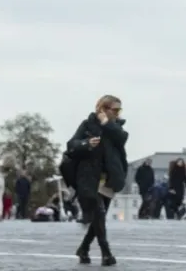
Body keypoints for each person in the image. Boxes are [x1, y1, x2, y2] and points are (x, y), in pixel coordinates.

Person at [67, 95, 127, 267]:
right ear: (103, 109)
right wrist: (87, 143)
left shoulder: (115, 128)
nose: (118, 113)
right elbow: (71, 145)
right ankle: (106, 253)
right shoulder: (87, 125)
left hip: (109, 178)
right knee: (98, 213)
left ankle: (83, 248)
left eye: (119, 110)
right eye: (115, 110)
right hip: (89, 177)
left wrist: (106, 123)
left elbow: (122, 138)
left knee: (98, 219)